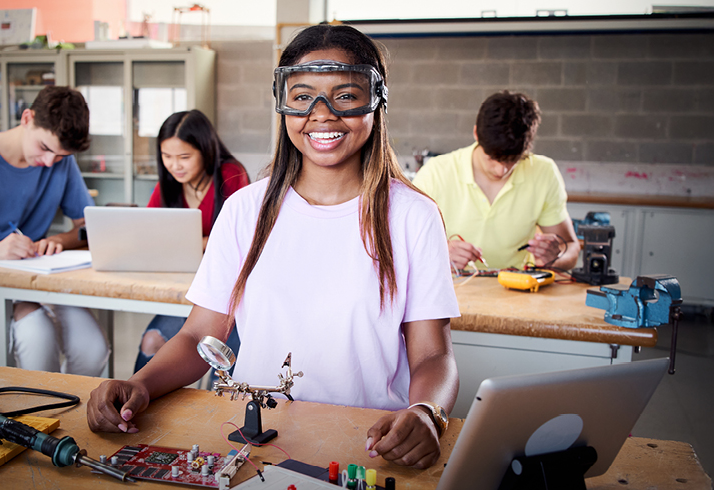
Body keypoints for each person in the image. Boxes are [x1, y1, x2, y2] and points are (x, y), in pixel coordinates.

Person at [87, 24, 459, 469]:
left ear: (376, 100)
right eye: (302, 97)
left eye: (345, 96)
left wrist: (426, 413)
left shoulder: (413, 215)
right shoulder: (246, 209)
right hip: (255, 442)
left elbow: (433, 354)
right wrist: (141, 384)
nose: (321, 114)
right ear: (283, 104)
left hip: (367, 445)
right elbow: (197, 336)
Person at [0, 85, 109, 375]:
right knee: (36, 331)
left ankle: (73, 411)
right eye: (45, 148)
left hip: (36, 269)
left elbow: (88, 228)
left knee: (92, 347)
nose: (50, 162)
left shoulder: (60, 161)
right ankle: (41, 415)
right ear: (27, 118)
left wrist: (58, 241)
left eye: (61, 156)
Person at [135, 109, 250, 373]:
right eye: (167, 157)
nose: (175, 166)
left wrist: (187, 243)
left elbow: (239, 240)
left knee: (221, 360)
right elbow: (147, 233)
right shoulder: (168, 183)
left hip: (225, 295)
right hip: (182, 290)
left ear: (206, 151)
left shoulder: (230, 174)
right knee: (152, 340)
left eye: (184, 157)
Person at [413, 91, 580, 272]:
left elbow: (571, 248)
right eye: (492, 158)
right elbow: (398, 246)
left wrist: (554, 258)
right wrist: (438, 253)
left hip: (516, 291)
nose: (501, 170)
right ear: (476, 133)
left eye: (512, 160)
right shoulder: (436, 172)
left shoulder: (543, 172)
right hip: (452, 292)